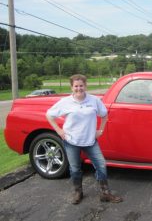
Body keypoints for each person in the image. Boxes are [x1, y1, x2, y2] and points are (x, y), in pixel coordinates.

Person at [46, 74, 123, 205]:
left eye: (81, 85)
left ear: (85, 86)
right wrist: (59, 131)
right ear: (71, 87)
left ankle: (105, 193)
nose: (79, 88)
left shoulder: (94, 101)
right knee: (75, 169)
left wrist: (101, 130)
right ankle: (78, 192)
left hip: (90, 141)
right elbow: (49, 114)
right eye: (76, 86)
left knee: (101, 166)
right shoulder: (65, 102)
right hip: (71, 141)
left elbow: (104, 115)